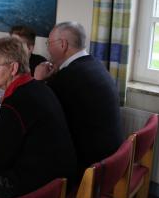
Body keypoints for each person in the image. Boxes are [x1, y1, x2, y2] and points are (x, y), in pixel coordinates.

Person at [0, 37, 77, 198]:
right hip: (61, 178)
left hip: (43, 191)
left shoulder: (14, 104)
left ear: (13, 68)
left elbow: (0, 161)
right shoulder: (40, 87)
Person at [34, 21, 123, 173]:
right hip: (112, 155)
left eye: (49, 43)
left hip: (89, 165)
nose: (47, 48)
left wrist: (38, 81)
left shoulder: (68, 77)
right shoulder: (94, 64)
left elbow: (36, 112)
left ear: (63, 44)